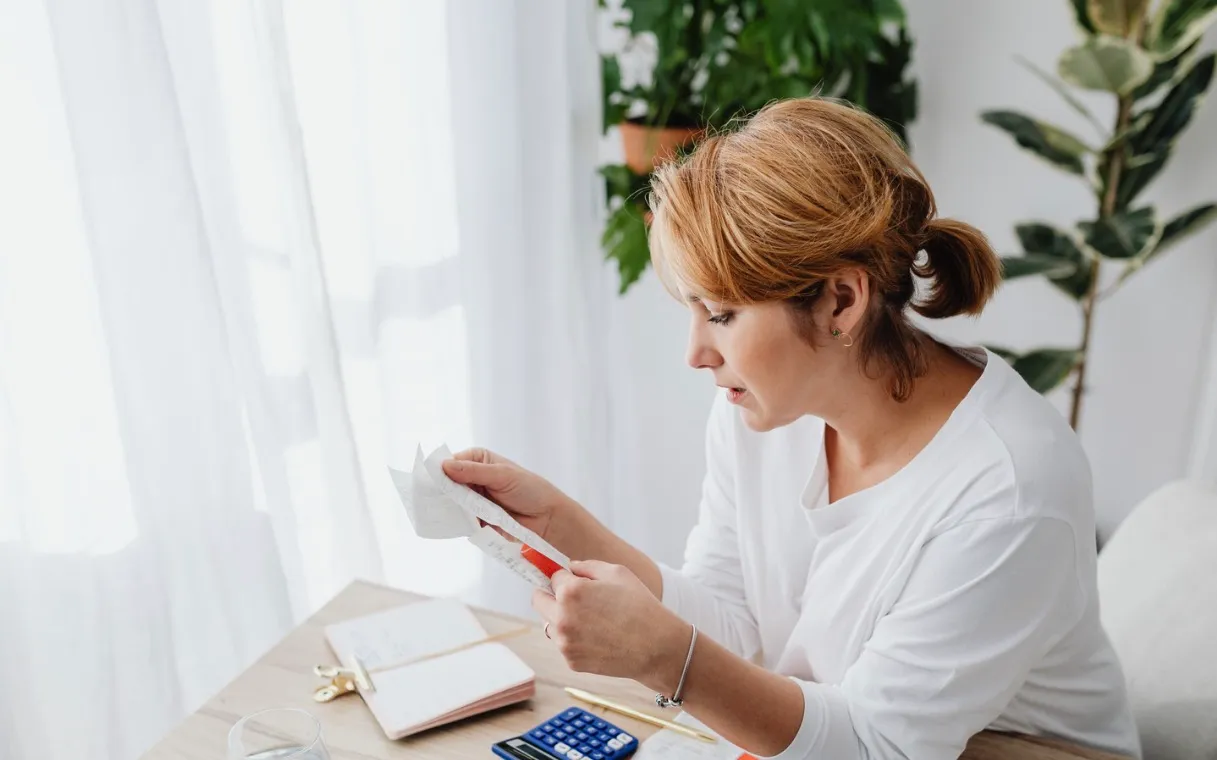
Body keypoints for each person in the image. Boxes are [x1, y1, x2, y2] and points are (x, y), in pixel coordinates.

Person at [441, 98, 1140, 760]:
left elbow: (877, 746)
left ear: (840, 299)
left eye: (720, 314)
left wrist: (667, 658)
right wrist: (560, 525)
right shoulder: (760, 411)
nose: (695, 354)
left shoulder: (1009, 487)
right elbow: (738, 632)